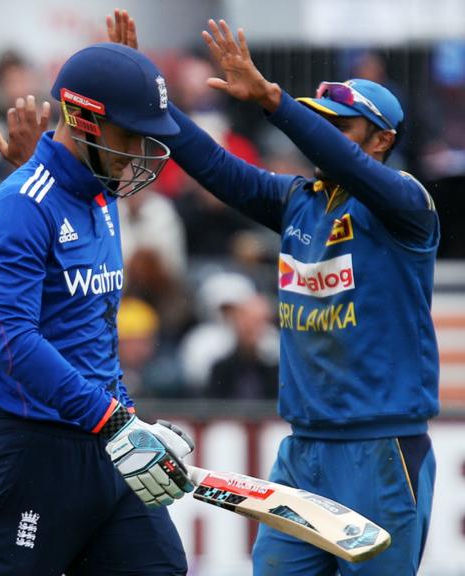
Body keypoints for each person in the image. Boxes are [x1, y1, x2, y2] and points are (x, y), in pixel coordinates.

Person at [157, 18, 437, 575]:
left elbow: (349, 165)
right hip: (302, 452)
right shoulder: (298, 200)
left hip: (380, 451)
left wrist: (274, 101)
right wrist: (149, 98)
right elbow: (215, 168)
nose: (327, 134)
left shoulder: (405, 204)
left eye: (343, 126)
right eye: (321, 121)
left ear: (383, 139)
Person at [0, 11, 196, 575]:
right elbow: (14, 342)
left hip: (107, 444)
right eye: (128, 134)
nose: (140, 150)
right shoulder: (20, 205)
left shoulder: (104, 195)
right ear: (84, 121)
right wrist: (114, 421)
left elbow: (91, 330)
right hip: (31, 455)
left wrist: (128, 419)